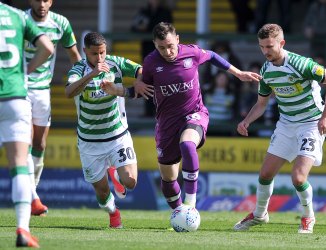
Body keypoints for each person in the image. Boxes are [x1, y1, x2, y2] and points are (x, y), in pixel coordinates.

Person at [111, 22, 261, 212]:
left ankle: (190, 204)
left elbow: (213, 56)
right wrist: (122, 90)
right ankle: (179, 212)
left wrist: (238, 73)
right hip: (167, 123)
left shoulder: (191, 52)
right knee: (168, 177)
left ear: (178, 40)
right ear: (155, 45)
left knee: (187, 144)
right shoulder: (150, 63)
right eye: (161, 47)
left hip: (194, 113)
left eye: (170, 45)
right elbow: (140, 91)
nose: (167, 51)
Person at [233, 23, 326, 234]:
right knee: (265, 174)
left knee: (298, 178)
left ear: (281, 43)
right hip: (286, 124)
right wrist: (247, 121)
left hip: (310, 124)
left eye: (269, 46)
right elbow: (261, 104)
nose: (265, 51)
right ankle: (260, 214)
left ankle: (308, 217)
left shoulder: (301, 64)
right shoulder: (266, 70)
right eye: (262, 47)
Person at [65, 32, 144, 229]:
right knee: (101, 192)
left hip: (117, 135)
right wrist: (92, 74)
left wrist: (140, 80)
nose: (99, 58)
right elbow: (68, 92)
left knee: (131, 182)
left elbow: (140, 69)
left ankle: (116, 174)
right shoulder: (78, 69)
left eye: (102, 53)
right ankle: (113, 213)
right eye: (94, 54)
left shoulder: (115, 63)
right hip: (89, 142)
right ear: (85, 52)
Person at [0, 3, 54, 247]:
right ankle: (22, 229)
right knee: (19, 165)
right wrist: (26, 72)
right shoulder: (16, 16)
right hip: (14, 96)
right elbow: (47, 47)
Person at [25, 0, 82, 217]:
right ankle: (31, 198)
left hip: (42, 91)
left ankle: (32, 192)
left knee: (39, 144)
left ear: (51, 1)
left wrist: (83, 80)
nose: (41, 4)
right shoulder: (21, 20)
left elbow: (74, 56)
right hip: (19, 88)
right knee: (26, 142)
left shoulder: (61, 23)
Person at [130, 0, 173, 118]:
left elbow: (166, 31)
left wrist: (147, 27)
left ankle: (162, 111)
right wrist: (140, 28)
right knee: (147, 80)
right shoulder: (144, 11)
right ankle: (149, 112)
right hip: (147, 52)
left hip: (162, 52)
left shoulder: (165, 12)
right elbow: (133, 28)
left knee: (162, 80)